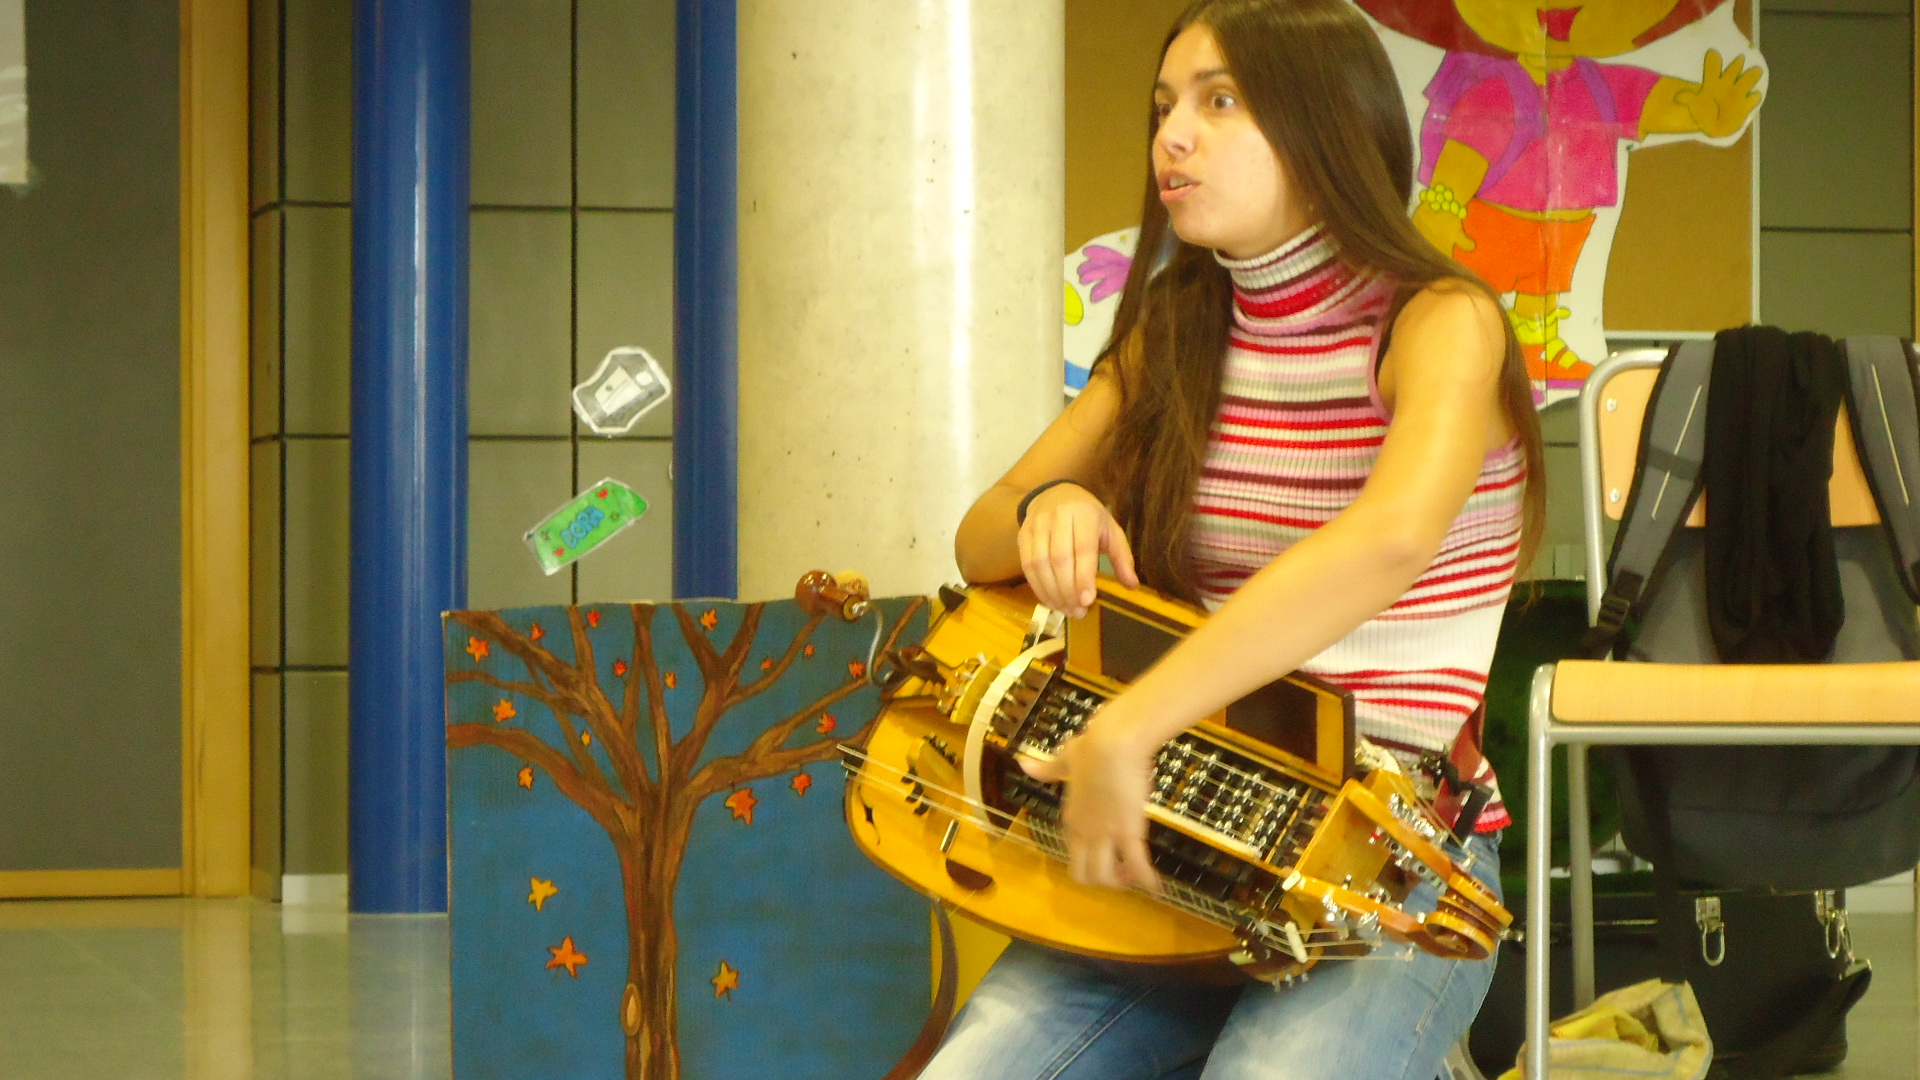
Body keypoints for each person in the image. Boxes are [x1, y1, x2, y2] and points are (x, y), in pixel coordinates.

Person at [927, 1, 1546, 1077]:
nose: (1173, 136)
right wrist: (1047, 508)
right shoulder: (1175, 328)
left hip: (1394, 852)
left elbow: (1388, 541)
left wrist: (1134, 721)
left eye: (1220, 103)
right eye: (1165, 107)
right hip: (1188, 823)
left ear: (1327, 126)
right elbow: (980, 531)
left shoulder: (1441, 320)